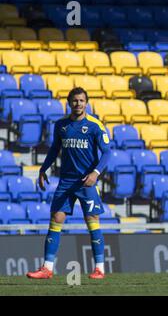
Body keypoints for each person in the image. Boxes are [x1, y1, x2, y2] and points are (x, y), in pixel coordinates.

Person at [27, 87, 111, 280]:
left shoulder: (95, 125)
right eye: (75, 101)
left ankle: (100, 268)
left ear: (86, 103)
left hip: (86, 182)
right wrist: (43, 169)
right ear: (69, 102)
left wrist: (95, 173)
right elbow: (54, 149)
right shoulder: (62, 126)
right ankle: (47, 268)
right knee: (56, 219)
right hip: (66, 181)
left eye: (81, 101)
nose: (78, 104)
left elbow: (107, 153)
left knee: (93, 223)